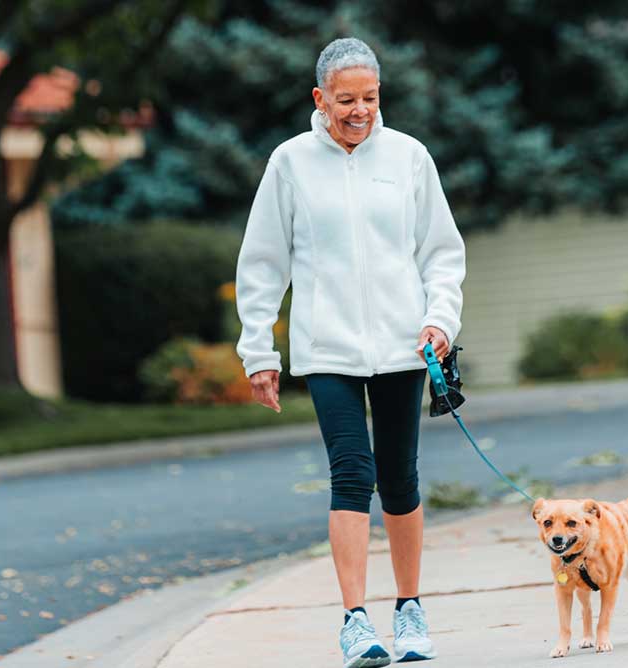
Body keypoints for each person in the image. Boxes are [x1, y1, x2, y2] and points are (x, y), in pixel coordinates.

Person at [233, 37, 466, 668]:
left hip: (402, 345)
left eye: (368, 97)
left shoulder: (410, 158)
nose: (359, 109)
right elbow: (262, 263)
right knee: (351, 472)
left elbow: (441, 252)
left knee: (400, 476)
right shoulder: (290, 163)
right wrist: (260, 350)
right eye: (345, 99)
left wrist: (441, 319)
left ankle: (410, 610)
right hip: (326, 347)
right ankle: (355, 623)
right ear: (320, 99)